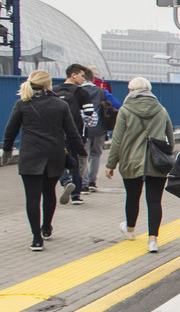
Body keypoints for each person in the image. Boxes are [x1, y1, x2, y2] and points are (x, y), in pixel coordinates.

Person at [2, 70, 87, 251]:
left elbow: (10, 131)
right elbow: (72, 132)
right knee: (49, 192)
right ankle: (47, 227)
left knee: (32, 198)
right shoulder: (60, 105)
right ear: (49, 85)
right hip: (54, 155)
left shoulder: (22, 104)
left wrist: (7, 151)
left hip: (30, 155)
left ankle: (36, 239)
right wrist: (81, 153)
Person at [104, 77, 173, 253]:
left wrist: (111, 163)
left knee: (133, 196)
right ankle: (153, 240)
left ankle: (130, 229)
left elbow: (117, 140)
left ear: (132, 90)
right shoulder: (161, 109)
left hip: (131, 161)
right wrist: (168, 154)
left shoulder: (126, 110)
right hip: (157, 162)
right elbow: (170, 137)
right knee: (155, 200)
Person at [52, 64, 93, 205]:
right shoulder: (82, 93)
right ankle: (76, 195)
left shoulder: (54, 91)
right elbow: (89, 115)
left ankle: (65, 181)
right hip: (75, 133)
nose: (83, 79)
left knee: (57, 160)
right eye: (82, 75)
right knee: (76, 160)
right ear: (73, 75)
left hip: (57, 132)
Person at [81, 67, 120, 192]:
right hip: (99, 128)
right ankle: (92, 181)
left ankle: (84, 183)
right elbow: (118, 105)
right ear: (93, 79)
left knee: (84, 155)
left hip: (83, 128)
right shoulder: (101, 92)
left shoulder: (78, 91)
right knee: (96, 154)